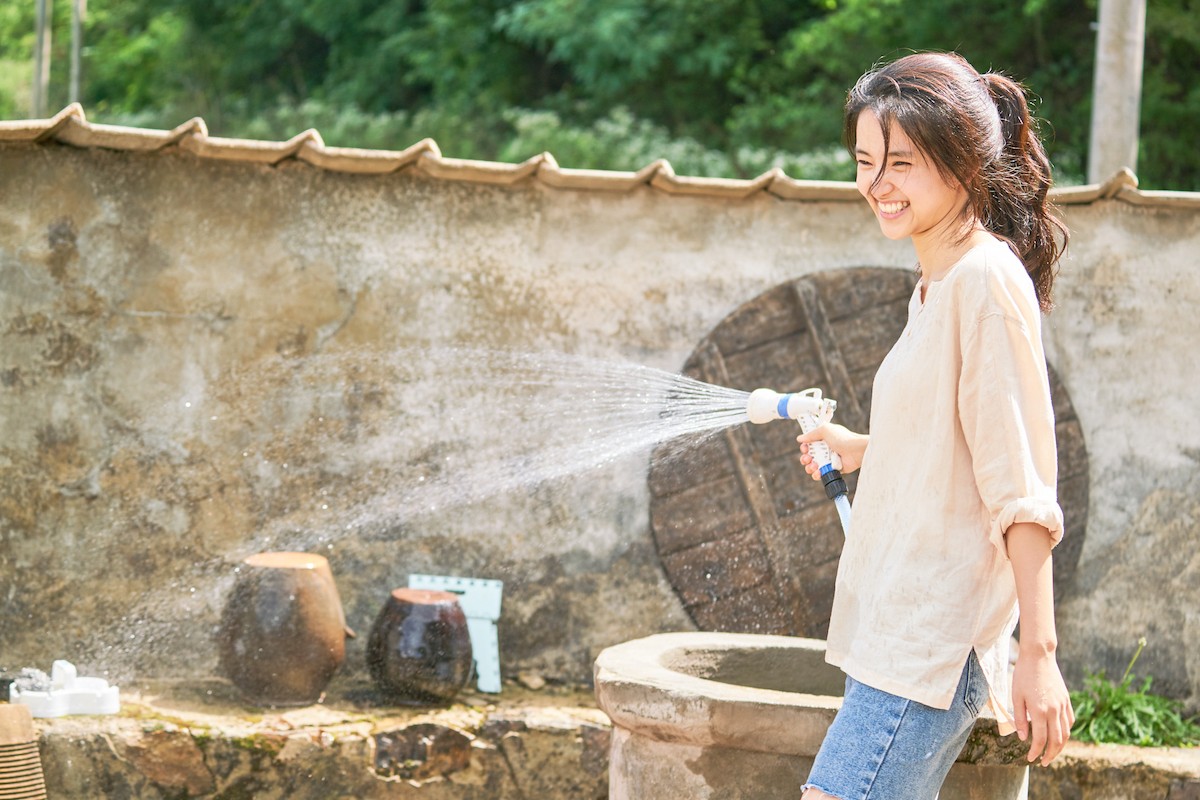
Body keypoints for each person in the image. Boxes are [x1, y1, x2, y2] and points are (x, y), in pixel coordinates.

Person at [794, 52, 1075, 799]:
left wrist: (1038, 655)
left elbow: (1019, 486)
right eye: (863, 161)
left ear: (963, 164)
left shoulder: (983, 283)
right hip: (897, 638)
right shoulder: (938, 284)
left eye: (901, 164)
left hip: (931, 646)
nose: (875, 185)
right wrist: (861, 449)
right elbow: (951, 443)